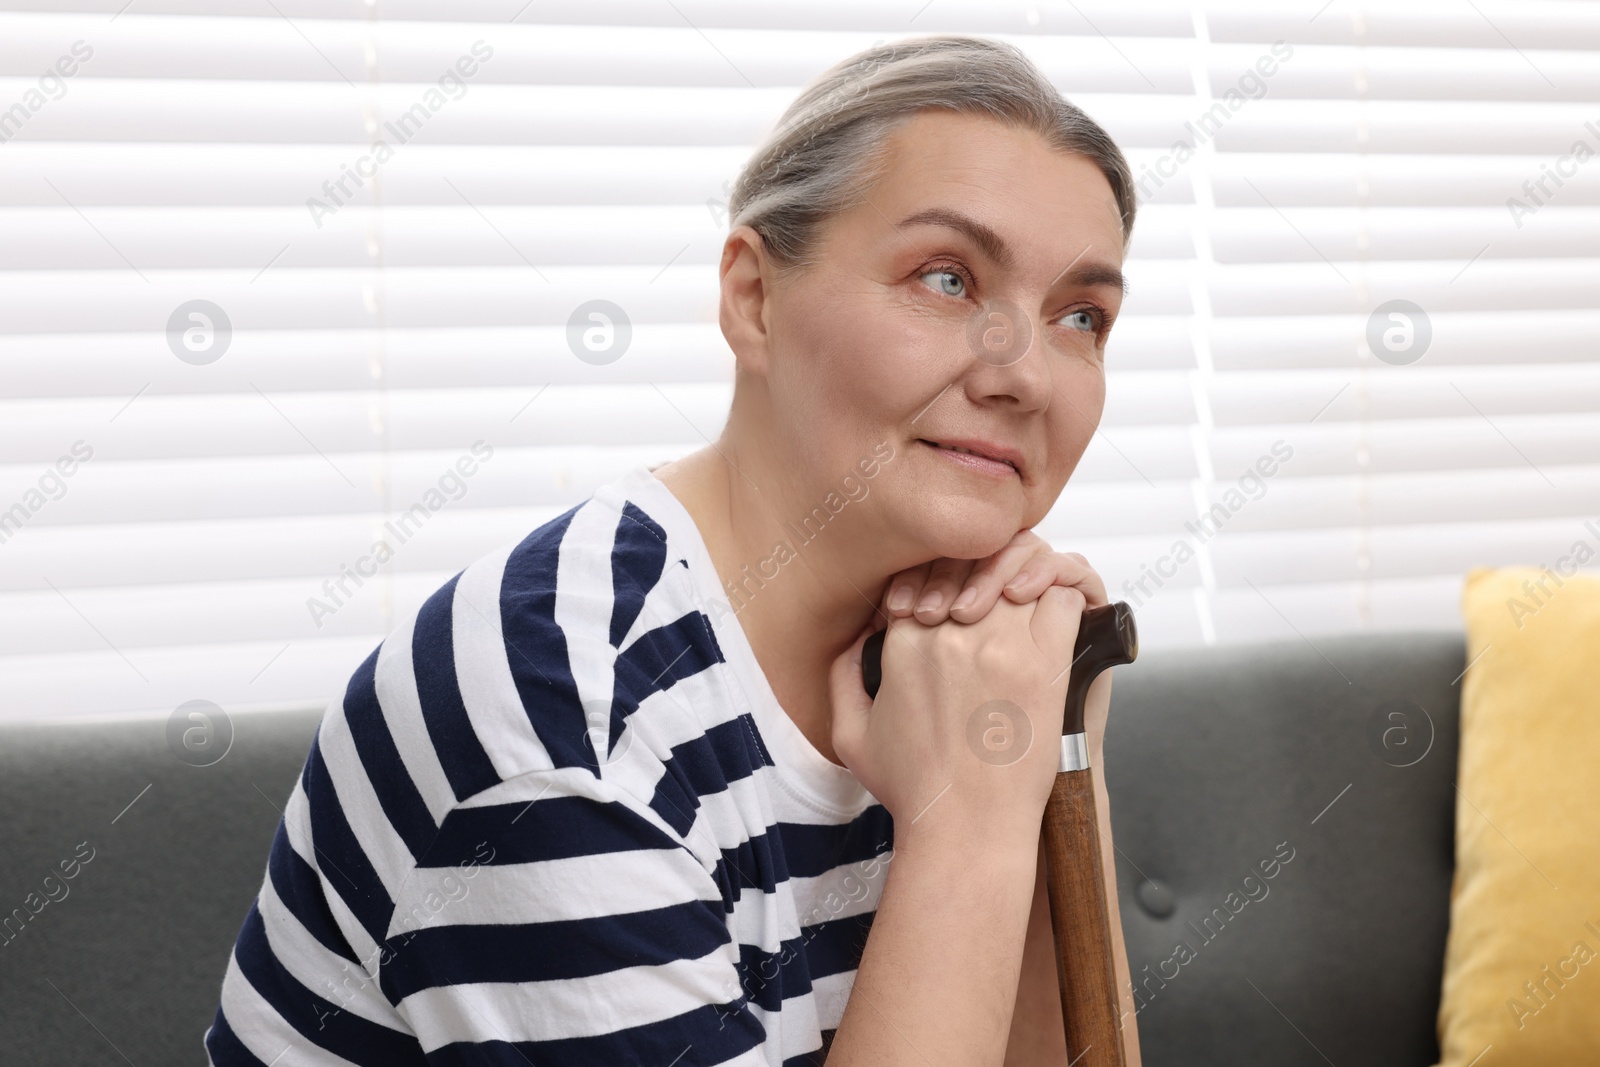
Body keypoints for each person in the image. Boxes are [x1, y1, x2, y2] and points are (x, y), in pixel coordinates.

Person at [205, 32, 1141, 1067]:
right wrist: (967, 827)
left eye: (1080, 314)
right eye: (947, 279)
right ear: (753, 298)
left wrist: (1057, 754)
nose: (1028, 375)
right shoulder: (561, 720)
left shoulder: (969, 661)